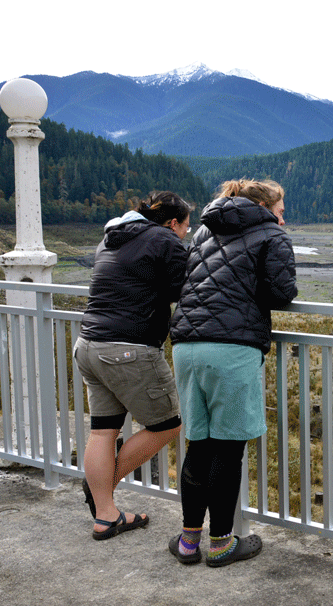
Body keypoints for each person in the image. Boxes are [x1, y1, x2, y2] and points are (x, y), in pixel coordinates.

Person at [168, 178, 297, 567]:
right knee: (227, 448)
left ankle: (189, 542)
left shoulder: (206, 228)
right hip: (232, 348)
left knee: (199, 444)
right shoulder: (270, 234)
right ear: (265, 206)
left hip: (187, 345)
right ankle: (222, 543)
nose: (283, 217)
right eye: (282, 209)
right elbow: (281, 292)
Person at [74, 191, 192, 540]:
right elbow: (182, 289)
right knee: (168, 425)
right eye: (187, 227)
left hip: (88, 345)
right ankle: (103, 488)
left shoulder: (110, 238)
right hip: (129, 350)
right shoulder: (165, 240)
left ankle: (106, 514)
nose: (186, 233)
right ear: (173, 223)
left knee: (103, 431)